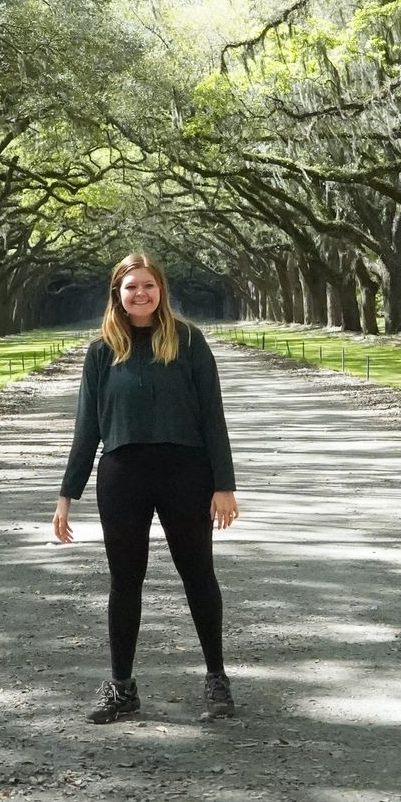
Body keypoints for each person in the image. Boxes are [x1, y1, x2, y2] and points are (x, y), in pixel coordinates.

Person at [52, 253, 239, 724]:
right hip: (122, 475)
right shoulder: (101, 351)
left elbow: (212, 416)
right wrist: (66, 494)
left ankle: (217, 678)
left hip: (186, 473)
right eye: (131, 287)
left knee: (198, 576)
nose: (141, 294)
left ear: (161, 290)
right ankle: (122, 688)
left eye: (148, 286)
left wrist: (224, 485)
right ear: (117, 293)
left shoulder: (189, 340)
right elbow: (86, 427)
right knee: (125, 582)